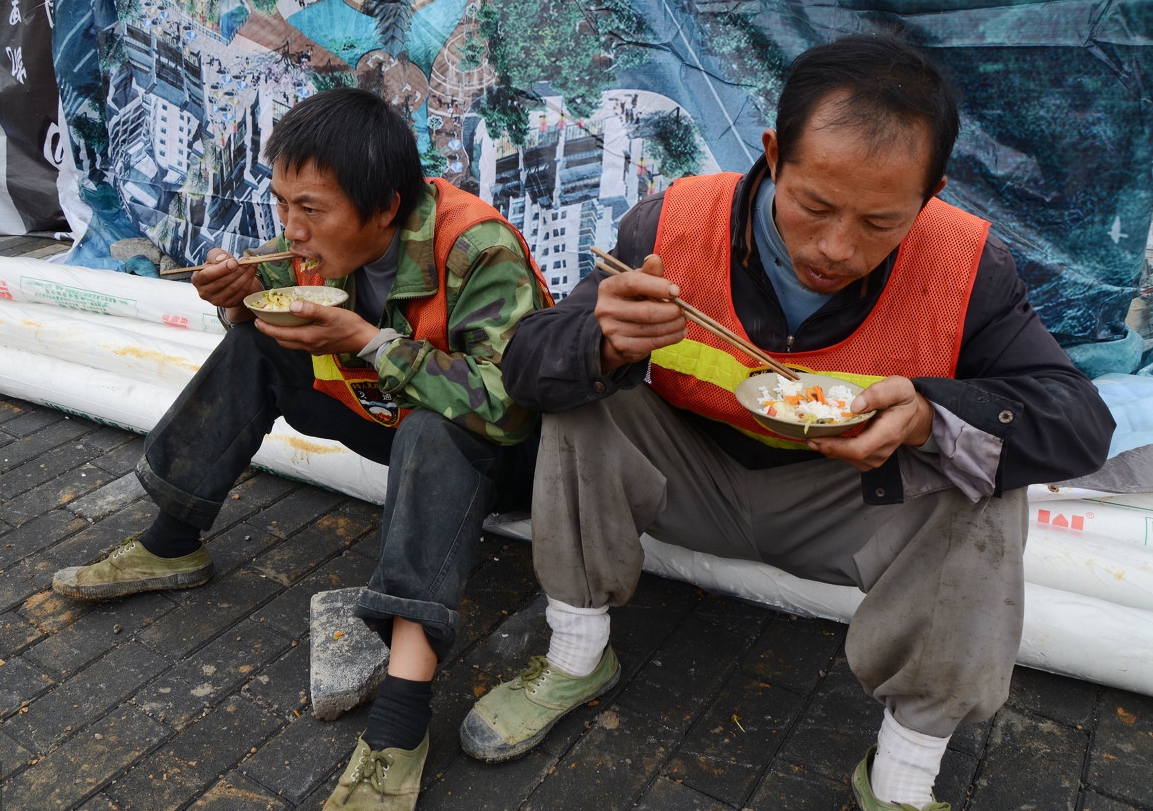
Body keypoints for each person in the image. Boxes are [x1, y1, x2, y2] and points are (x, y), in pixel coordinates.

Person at [457, 32, 1115, 811]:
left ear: (930, 191)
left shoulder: (968, 268)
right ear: (772, 154)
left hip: (846, 510)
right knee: (584, 391)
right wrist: (596, 342)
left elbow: (1080, 422)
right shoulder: (668, 225)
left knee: (982, 474)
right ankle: (574, 656)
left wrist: (929, 416)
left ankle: (902, 774)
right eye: (814, 204)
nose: (835, 248)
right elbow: (523, 366)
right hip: (687, 484)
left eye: (880, 222)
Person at [51, 87, 551, 811]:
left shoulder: (476, 248)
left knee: (432, 426)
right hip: (392, 420)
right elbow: (267, 299)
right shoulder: (312, 241)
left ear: (385, 208)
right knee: (256, 342)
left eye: (308, 208)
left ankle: (402, 718)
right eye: (281, 203)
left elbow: (509, 406)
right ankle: (173, 540)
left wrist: (371, 341)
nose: (290, 228)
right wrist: (232, 294)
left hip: (502, 458)